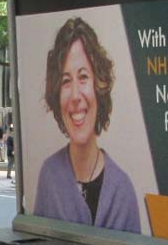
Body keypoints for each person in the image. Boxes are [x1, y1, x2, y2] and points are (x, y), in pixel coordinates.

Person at [32, 18, 140, 232]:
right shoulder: (49, 176)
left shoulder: (122, 189)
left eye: (83, 77)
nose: (75, 96)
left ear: (98, 85)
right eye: (65, 81)